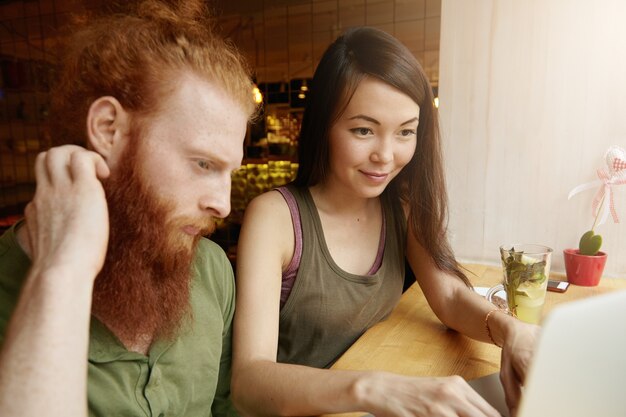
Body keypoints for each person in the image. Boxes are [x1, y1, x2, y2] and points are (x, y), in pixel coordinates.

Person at [231, 27, 538, 417]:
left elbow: (449, 298)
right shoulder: (275, 218)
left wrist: (513, 331)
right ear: (323, 126)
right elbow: (248, 383)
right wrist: (372, 386)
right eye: (364, 130)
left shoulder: (402, 207)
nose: (386, 155)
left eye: (405, 132)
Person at [0, 1, 257, 416]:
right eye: (203, 163)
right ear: (108, 129)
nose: (223, 205)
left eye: (229, 172)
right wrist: (62, 271)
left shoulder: (211, 271)